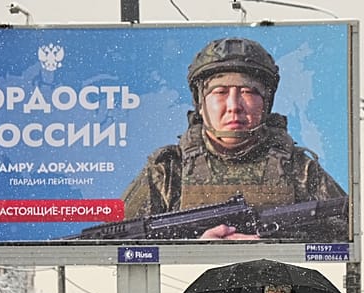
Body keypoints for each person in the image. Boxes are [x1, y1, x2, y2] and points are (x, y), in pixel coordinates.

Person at [121, 37, 348, 241]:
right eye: (220, 92)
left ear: (266, 102)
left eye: (248, 92)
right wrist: (193, 249)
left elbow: (348, 232)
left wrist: (271, 242)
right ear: (200, 102)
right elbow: (117, 247)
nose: (234, 106)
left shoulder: (299, 169)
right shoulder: (168, 170)